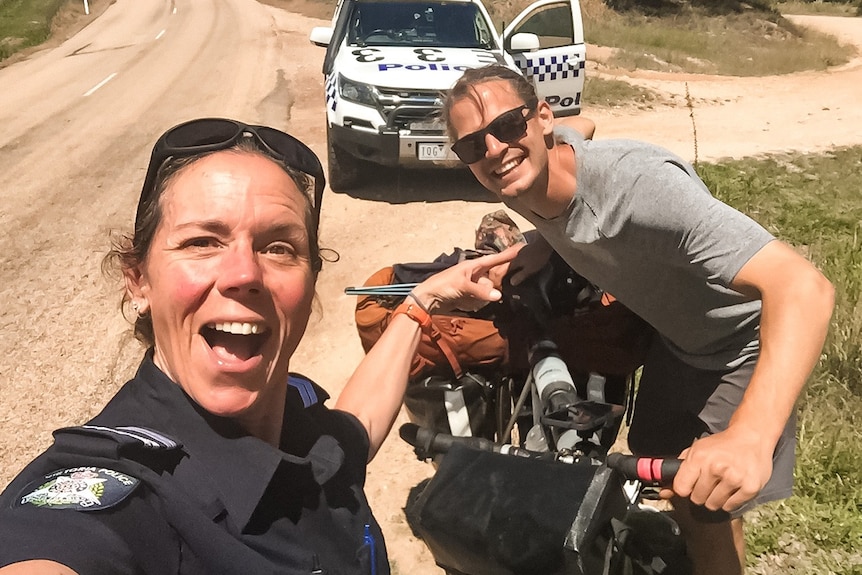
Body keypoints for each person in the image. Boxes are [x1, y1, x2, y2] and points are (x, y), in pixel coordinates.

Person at [0, 118, 515, 575]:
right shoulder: (114, 495)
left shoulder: (292, 426)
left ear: (309, 285)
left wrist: (421, 301)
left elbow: (347, 439)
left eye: (278, 247)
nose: (244, 274)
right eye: (202, 242)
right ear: (139, 283)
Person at [441, 65, 835, 575]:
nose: (493, 150)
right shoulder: (529, 174)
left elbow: (804, 285)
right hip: (679, 340)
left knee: (703, 499)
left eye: (508, 127)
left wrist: (751, 436)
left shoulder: (640, 189)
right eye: (472, 146)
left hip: (741, 343)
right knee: (660, 458)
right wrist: (539, 243)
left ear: (540, 117)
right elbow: (582, 126)